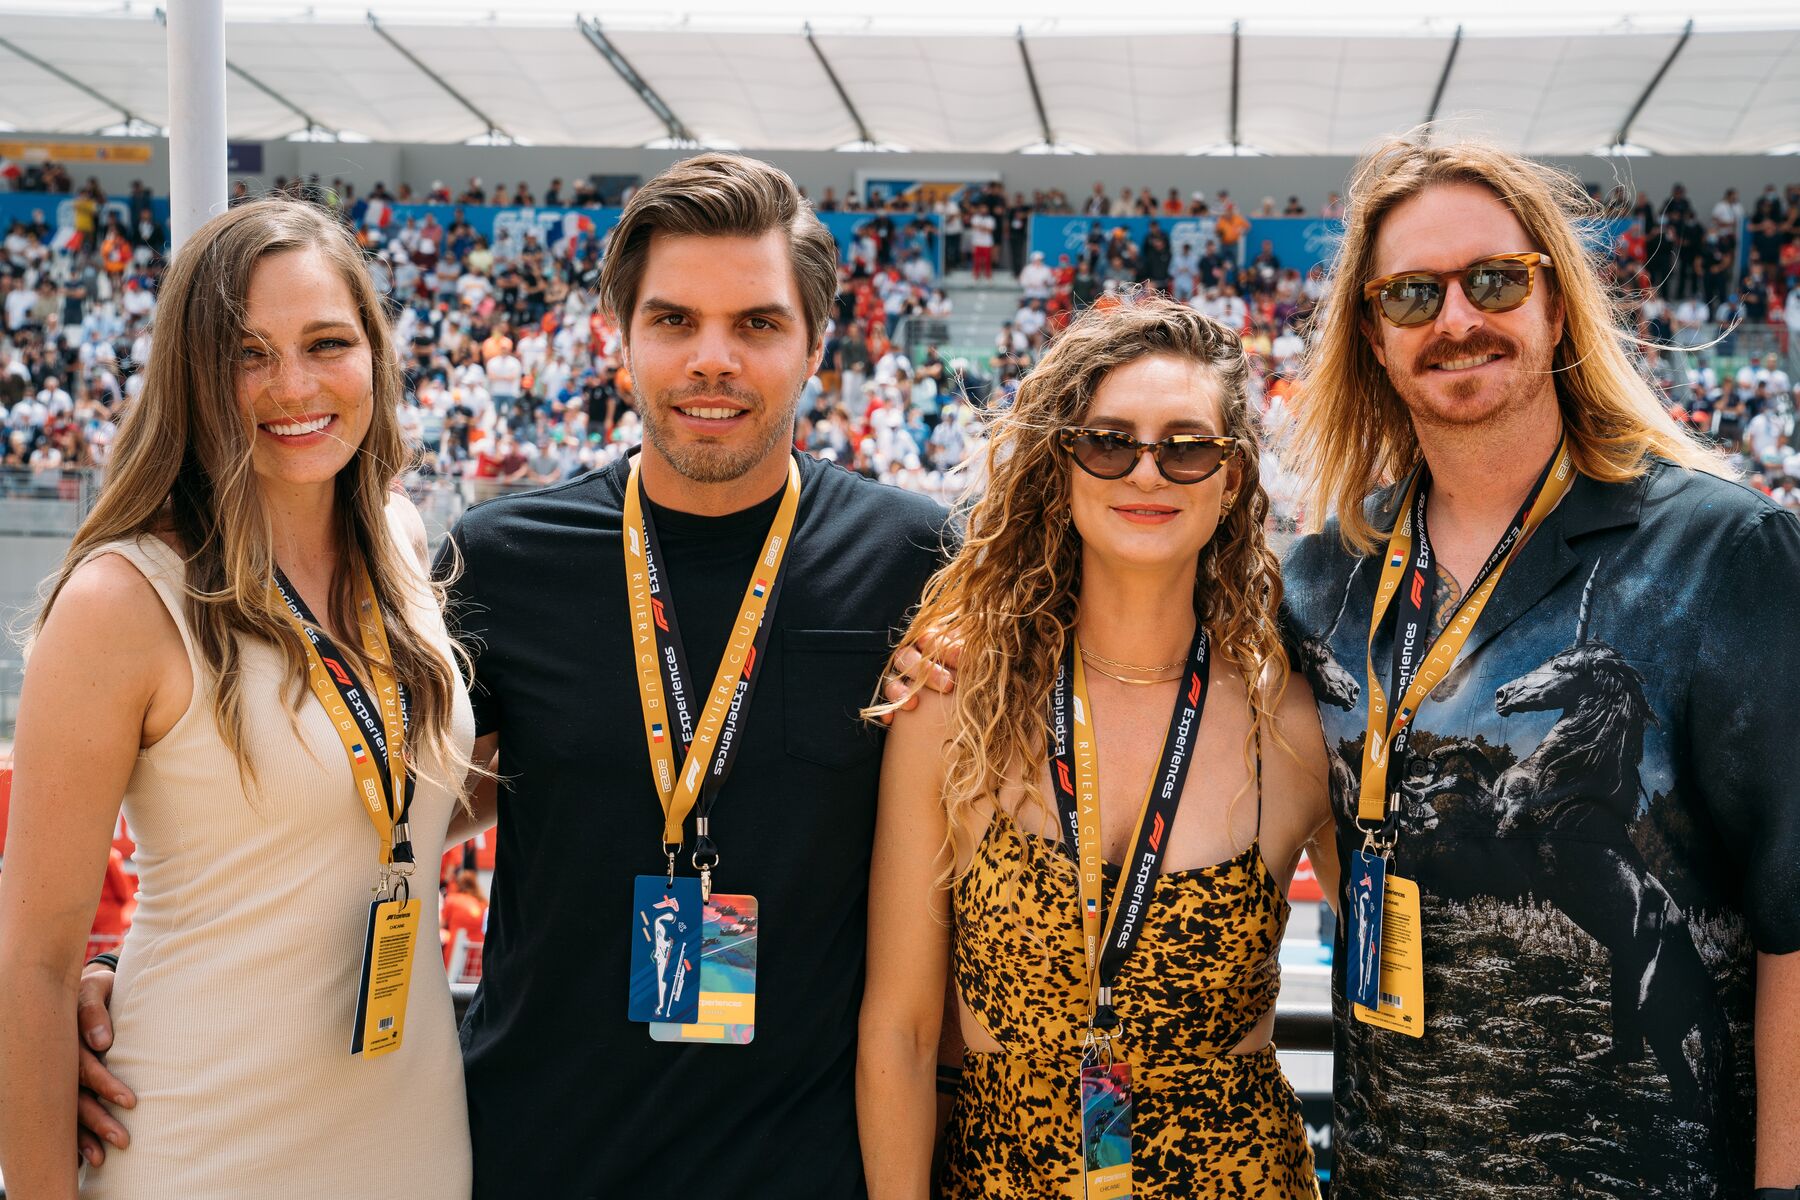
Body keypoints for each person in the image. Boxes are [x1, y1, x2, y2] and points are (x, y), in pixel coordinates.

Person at [1282, 134, 1800, 1197]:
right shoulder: (1321, 580)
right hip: (1393, 1173)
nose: (1457, 319)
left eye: (1494, 281)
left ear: (1556, 304)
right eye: (1414, 294)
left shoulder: (1723, 553)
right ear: (1373, 337)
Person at [0, 198, 477, 1196]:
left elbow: (408, 792)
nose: (292, 386)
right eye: (248, 353)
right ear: (190, 375)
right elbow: (33, 963)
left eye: (325, 343)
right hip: (198, 1146)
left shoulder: (395, 535)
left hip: (413, 1140)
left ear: (376, 356)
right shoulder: (122, 600)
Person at [859, 298, 1334, 1198]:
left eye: (1187, 446)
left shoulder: (1299, 726)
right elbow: (902, 1030)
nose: (1147, 473)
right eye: (1109, 441)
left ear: (1232, 480)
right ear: (1063, 466)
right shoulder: (955, 704)